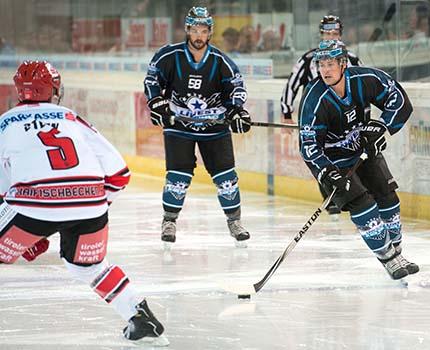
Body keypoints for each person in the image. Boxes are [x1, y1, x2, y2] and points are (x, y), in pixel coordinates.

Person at [0, 61, 169, 345]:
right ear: (54, 89)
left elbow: (5, 191)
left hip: (32, 208)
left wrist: (27, 235)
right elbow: (119, 175)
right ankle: (140, 318)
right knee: (86, 267)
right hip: (91, 205)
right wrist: (90, 207)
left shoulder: (5, 122)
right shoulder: (71, 118)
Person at [297, 40, 419, 280]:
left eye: (331, 64)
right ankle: (389, 259)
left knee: (388, 199)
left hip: (363, 152)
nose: (325, 70)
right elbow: (308, 146)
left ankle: (397, 253)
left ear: (343, 63)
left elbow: (399, 99)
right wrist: (326, 172)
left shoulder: (365, 79)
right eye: (321, 64)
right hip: (334, 163)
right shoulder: (314, 98)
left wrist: (381, 126)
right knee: (364, 207)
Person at [143, 7, 252, 247]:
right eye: (194, 30)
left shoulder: (221, 61)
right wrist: (158, 104)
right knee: (177, 177)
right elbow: (152, 80)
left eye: (203, 31)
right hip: (179, 126)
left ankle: (234, 222)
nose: (199, 35)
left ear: (210, 32)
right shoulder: (168, 56)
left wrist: (236, 111)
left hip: (214, 128)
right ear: (187, 29)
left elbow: (236, 87)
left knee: (226, 178)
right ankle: (169, 220)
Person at [281, 15, 363, 215]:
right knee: (321, 153)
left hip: (348, 119)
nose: (331, 37)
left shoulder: (351, 59)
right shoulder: (309, 58)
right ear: (321, 35)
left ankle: (357, 195)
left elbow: (363, 88)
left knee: (354, 154)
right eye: (327, 34)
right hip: (319, 119)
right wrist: (286, 111)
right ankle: (331, 196)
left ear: (340, 35)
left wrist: (365, 118)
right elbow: (292, 83)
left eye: (334, 34)